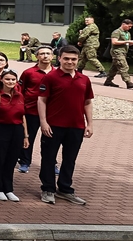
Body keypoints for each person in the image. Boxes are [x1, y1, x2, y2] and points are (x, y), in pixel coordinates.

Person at [37, 46, 94, 205]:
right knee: (49, 158)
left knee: (70, 159)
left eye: (73, 59)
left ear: (78, 60)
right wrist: (43, 122)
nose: (70, 62)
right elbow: (42, 100)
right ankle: (48, 189)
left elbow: (87, 102)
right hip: (53, 126)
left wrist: (90, 124)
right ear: (59, 59)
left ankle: (65, 189)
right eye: (66, 58)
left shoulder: (84, 79)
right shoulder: (50, 77)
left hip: (76, 127)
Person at [0, 69, 27, 202]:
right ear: (2, 80)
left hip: (16, 130)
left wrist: (26, 135)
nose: (10, 82)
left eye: (13, 79)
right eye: (7, 79)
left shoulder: (19, 95)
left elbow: (23, 116)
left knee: (11, 160)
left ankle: (8, 189)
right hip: (1, 129)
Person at [17, 46, 52, 174]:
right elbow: (20, 90)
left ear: (53, 56)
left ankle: (51, 163)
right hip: (31, 110)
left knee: (50, 140)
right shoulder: (28, 73)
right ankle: (25, 162)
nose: (45, 56)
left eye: (48, 53)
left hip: (51, 113)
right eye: (42, 54)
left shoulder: (57, 73)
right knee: (28, 137)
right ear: (37, 56)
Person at [107, 18, 133, 88]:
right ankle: (128, 82)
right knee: (123, 66)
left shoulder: (127, 33)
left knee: (115, 68)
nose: (130, 28)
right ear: (123, 24)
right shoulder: (117, 32)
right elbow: (114, 42)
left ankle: (108, 81)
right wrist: (127, 41)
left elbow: (127, 43)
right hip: (117, 52)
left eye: (131, 27)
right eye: (129, 26)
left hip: (124, 52)